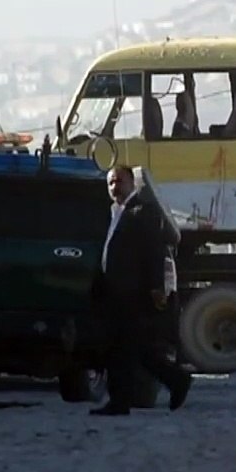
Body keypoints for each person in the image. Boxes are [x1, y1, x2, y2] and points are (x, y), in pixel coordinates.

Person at [90, 165, 194, 416]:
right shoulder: (115, 212)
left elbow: (154, 252)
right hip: (113, 290)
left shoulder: (142, 212)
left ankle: (123, 401)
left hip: (133, 293)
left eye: (120, 181)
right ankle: (174, 381)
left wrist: (156, 287)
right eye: (111, 183)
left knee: (123, 349)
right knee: (133, 348)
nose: (115, 187)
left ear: (132, 184)